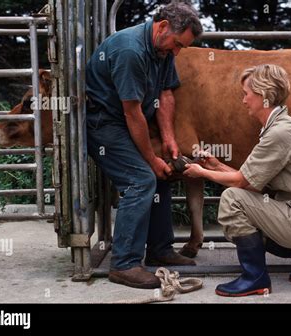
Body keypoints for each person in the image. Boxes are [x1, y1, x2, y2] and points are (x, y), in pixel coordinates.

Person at [183, 64, 291, 297]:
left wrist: (202, 173)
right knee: (243, 201)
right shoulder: (279, 127)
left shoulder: (279, 133)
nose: (243, 100)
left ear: (263, 95)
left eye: (246, 94)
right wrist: (216, 166)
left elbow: (241, 183)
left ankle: (255, 278)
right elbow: (252, 181)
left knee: (233, 200)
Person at [85, 2, 203, 289]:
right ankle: (124, 263)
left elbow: (165, 92)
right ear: (162, 26)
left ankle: (160, 249)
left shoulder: (162, 49)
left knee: (162, 176)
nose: (176, 52)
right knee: (141, 180)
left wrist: (169, 139)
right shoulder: (130, 50)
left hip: (129, 123)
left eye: (181, 48)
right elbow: (132, 112)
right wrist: (152, 159)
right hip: (106, 126)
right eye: (176, 44)